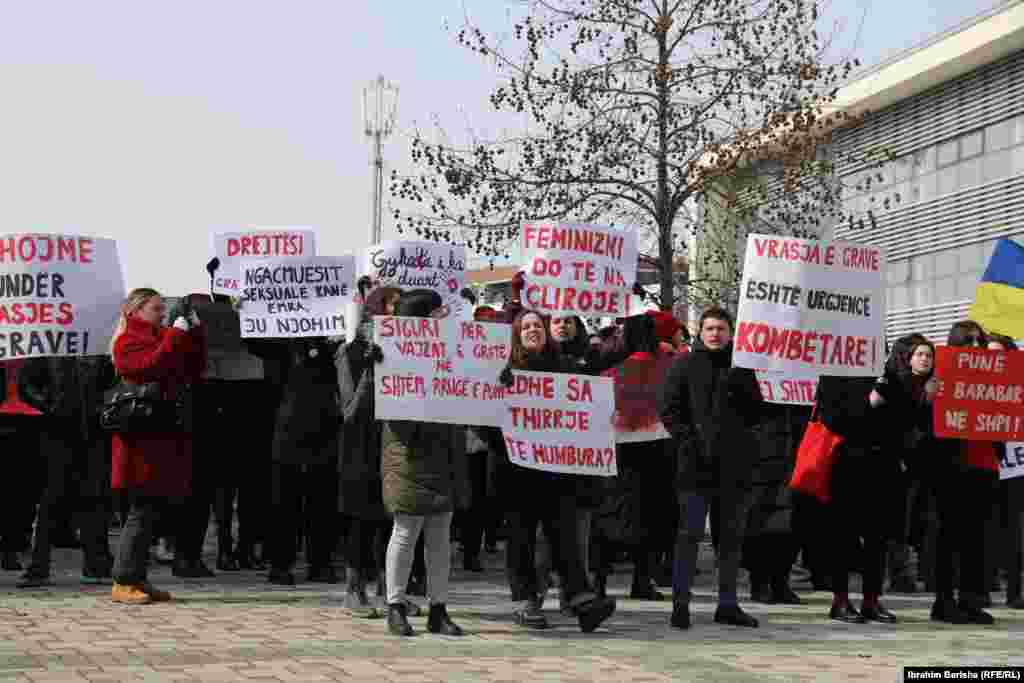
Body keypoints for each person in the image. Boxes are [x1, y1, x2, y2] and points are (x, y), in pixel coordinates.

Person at [498, 308, 628, 633]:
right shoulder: (503, 369)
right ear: (517, 334)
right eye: (526, 326)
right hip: (516, 468)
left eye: (537, 326)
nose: (533, 330)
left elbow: (587, 403)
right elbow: (484, 416)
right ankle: (524, 601)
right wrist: (506, 443)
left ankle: (581, 600)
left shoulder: (565, 366)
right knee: (522, 538)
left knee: (564, 535)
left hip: (557, 468)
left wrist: (602, 416)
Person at [658, 306, 763, 630]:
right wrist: (690, 443)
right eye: (710, 329)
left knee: (730, 538)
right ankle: (681, 604)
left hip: (734, 467)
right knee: (688, 535)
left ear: (730, 334)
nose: (715, 334)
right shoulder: (683, 365)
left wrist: (740, 385)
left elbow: (756, 412)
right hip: (694, 466)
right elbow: (669, 410)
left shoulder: (742, 368)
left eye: (721, 329)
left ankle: (728, 604)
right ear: (700, 332)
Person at [109, 288, 207, 604]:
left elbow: (194, 366)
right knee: (141, 509)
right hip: (141, 440)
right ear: (135, 311)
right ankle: (123, 580)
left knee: (155, 512)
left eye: (163, 308)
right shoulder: (127, 341)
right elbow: (152, 365)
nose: (162, 314)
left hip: (164, 435)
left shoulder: (164, 336)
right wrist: (175, 335)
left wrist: (195, 331)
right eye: (155, 308)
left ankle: (138, 577)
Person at [380, 289, 469, 637]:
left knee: (439, 538)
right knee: (405, 532)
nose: (445, 317)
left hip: (444, 450)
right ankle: (395, 605)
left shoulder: (453, 350)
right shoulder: (390, 353)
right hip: (409, 454)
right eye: (438, 312)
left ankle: (438, 609)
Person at [245, 333, 342, 586]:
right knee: (284, 502)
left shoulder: (334, 344)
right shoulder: (284, 343)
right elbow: (254, 342)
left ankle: (320, 562)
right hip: (289, 429)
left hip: (326, 427)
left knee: (323, 501)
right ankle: (281, 563)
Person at [16, 356, 117, 588]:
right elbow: (25, 384)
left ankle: (96, 564)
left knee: (94, 499)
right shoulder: (50, 351)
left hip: (92, 433)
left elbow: (113, 380)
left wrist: (103, 404)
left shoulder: (98, 351)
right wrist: (48, 405)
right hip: (58, 433)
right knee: (50, 501)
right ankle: (38, 567)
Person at [928, 321, 998, 624]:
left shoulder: (996, 378)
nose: (975, 346)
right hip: (951, 467)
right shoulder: (940, 376)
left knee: (978, 538)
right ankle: (944, 601)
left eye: (979, 341)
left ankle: (972, 600)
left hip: (985, 465)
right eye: (968, 341)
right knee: (949, 536)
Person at [335, 285, 390, 618]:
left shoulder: (403, 352)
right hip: (359, 448)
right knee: (360, 520)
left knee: (388, 522)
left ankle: (388, 590)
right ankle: (354, 591)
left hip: (392, 446)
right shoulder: (348, 352)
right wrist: (370, 372)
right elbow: (350, 411)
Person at [987, 334, 1023, 609]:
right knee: (986, 528)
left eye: (999, 353)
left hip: (1015, 465)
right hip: (984, 465)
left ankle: (1014, 591)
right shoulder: (970, 385)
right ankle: (980, 588)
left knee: (1014, 530)